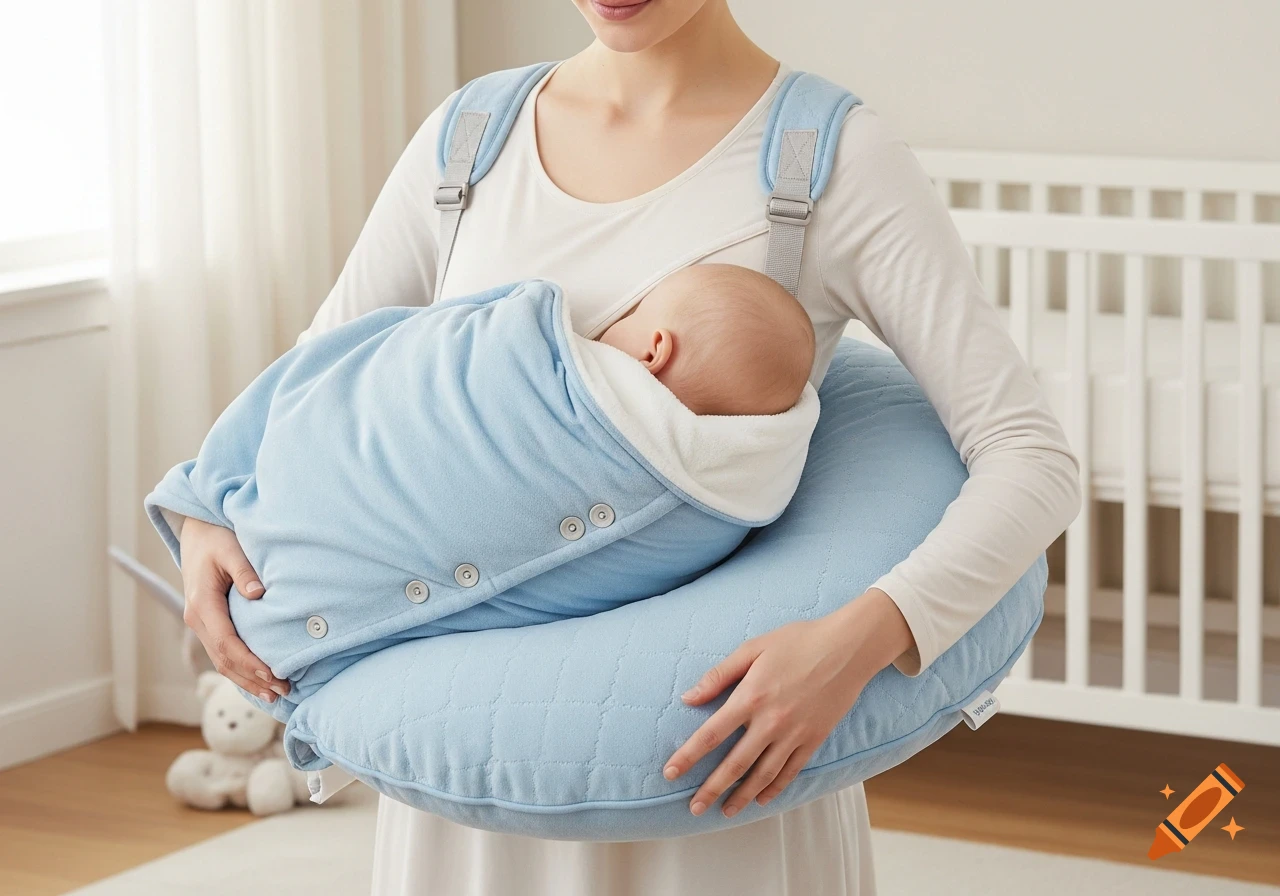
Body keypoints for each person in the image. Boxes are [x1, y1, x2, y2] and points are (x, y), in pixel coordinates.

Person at [175, 1, 1081, 893]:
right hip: (472, 772)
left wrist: (853, 643)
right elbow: (328, 372)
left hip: (715, 768)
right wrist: (206, 510)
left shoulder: (826, 158)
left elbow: (1029, 457)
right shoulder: (471, 139)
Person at [149, 265, 818, 706]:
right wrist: (201, 519)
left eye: (633, 310)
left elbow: (341, 363)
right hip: (321, 654)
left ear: (654, 346)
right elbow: (333, 341)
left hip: (280, 590)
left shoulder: (523, 341)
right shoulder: (720, 509)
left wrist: (210, 491)